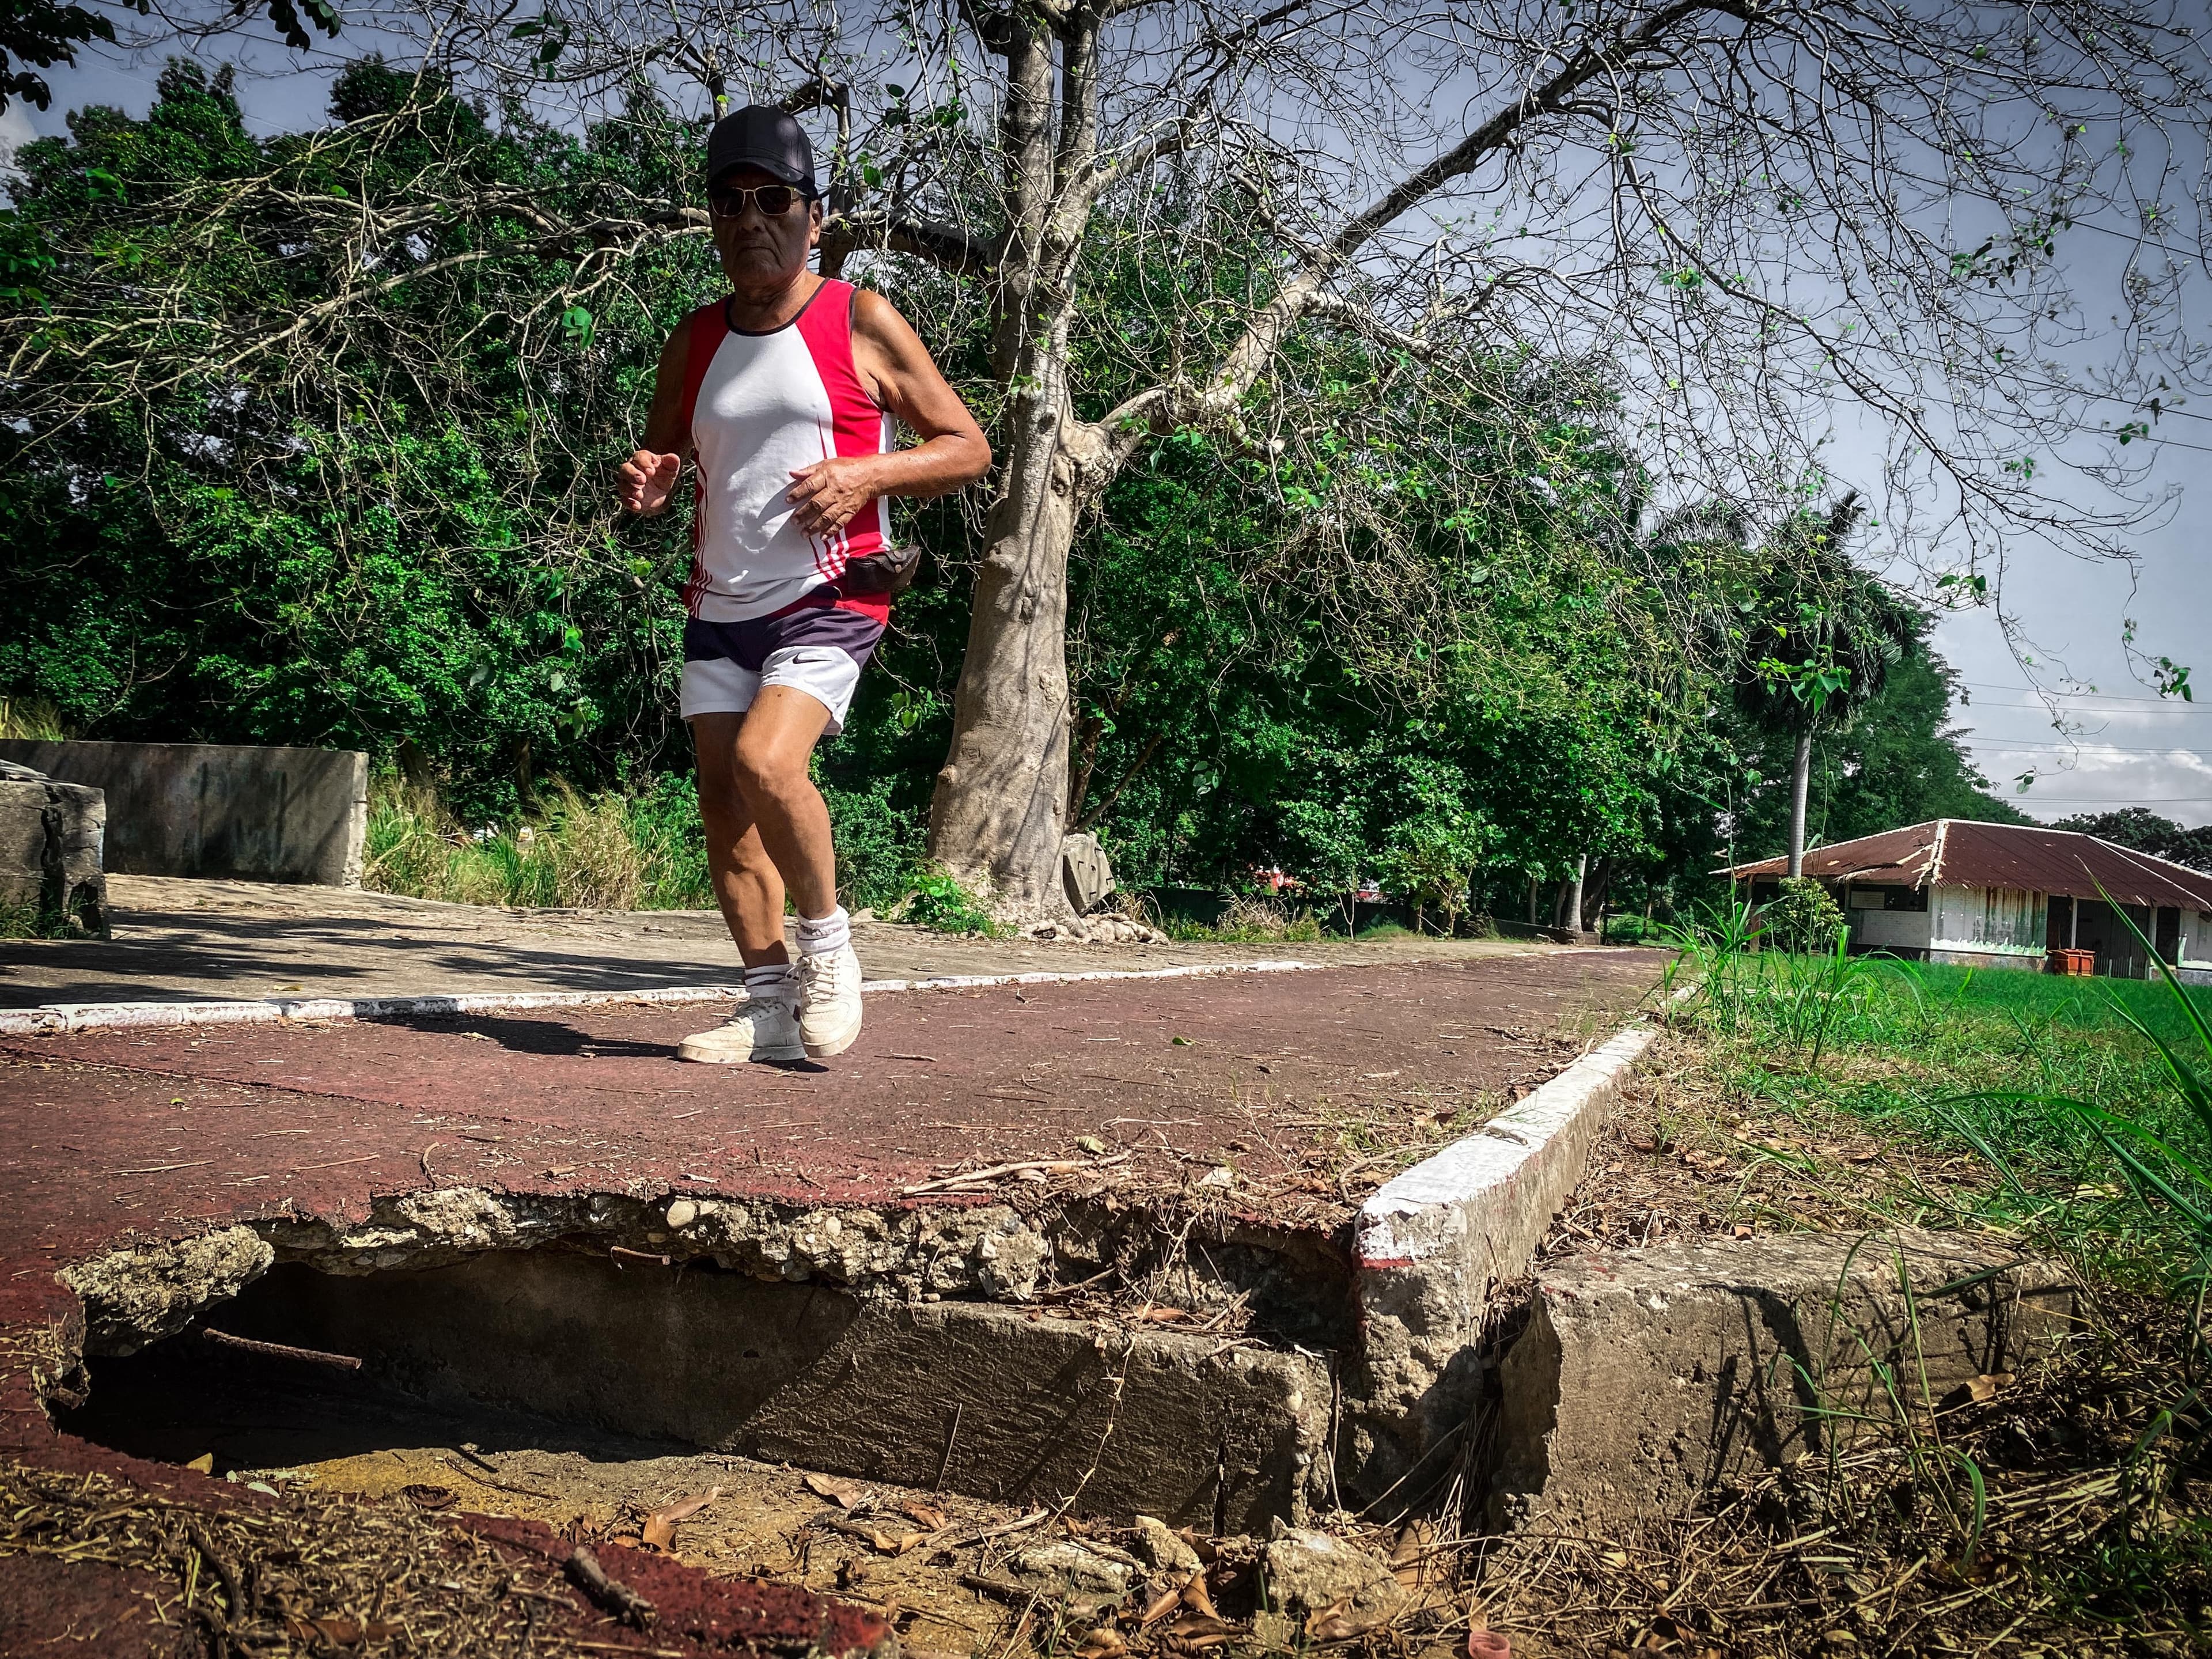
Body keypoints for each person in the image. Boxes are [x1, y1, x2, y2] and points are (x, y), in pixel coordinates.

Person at [617, 105, 990, 1063]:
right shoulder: (693, 339)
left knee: (767, 763)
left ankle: (830, 950)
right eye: (730, 202)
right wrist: (651, 482)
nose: (752, 220)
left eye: (774, 200)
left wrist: (868, 474)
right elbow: (662, 456)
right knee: (722, 804)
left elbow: (968, 449)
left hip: (832, 591)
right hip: (720, 599)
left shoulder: (858, 317)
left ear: (813, 216)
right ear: (712, 220)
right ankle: (769, 1004)